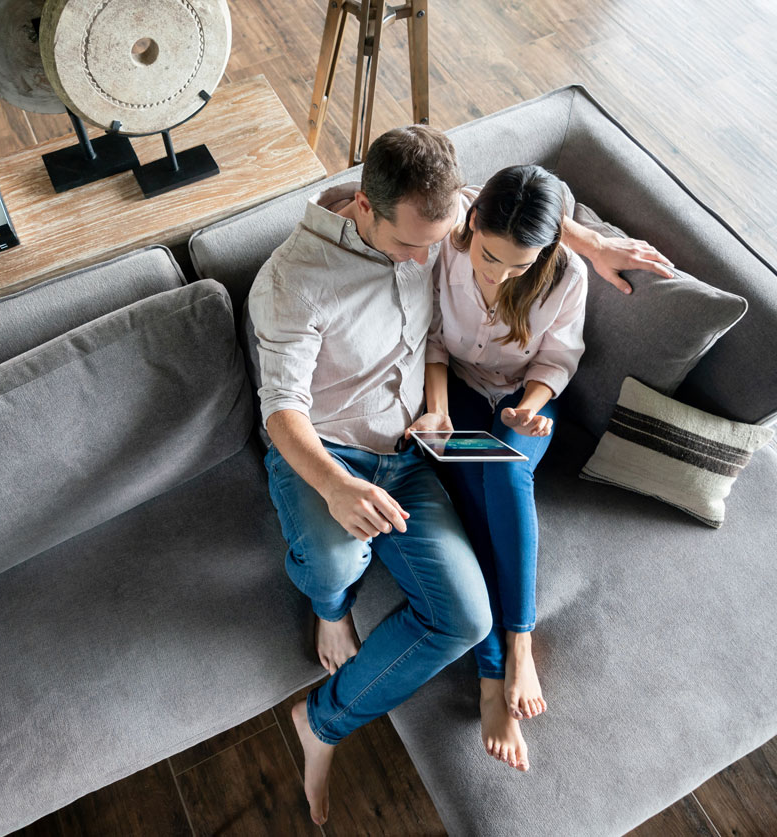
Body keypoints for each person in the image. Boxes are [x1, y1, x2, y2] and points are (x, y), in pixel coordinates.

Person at [250, 128, 672, 825]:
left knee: (469, 615)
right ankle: (328, 606)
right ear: (365, 207)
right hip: (330, 450)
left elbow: (512, 207)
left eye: (442, 237)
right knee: (335, 561)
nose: (428, 259)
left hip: (413, 449)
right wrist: (336, 486)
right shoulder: (294, 280)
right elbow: (280, 409)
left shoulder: (442, 222)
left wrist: (591, 243)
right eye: (411, 245)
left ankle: (321, 721)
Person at [410, 165, 591, 773]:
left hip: (527, 400)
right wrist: (438, 412)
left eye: (520, 265)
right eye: (490, 257)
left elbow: (558, 358)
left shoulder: (567, 275)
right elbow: (434, 337)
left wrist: (530, 409)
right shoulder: (447, 243)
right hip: (459, 391)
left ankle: (518, 645)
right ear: (473, 223)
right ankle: (492, 679)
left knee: (507, 471)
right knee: (470, 500)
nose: (500, 274)